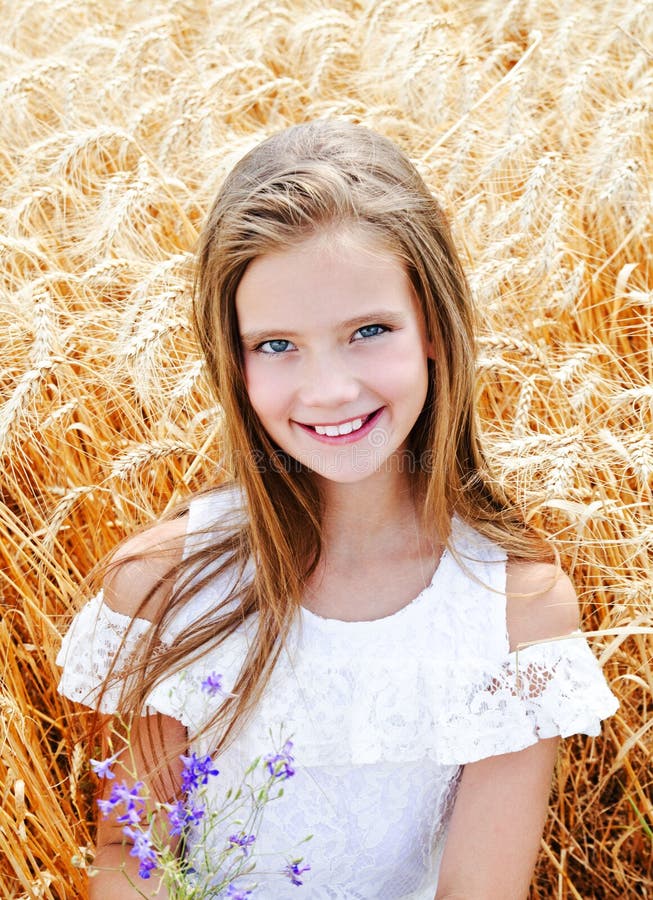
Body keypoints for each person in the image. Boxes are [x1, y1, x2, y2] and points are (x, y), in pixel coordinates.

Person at [56, 119, 618, 900]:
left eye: (368, 331)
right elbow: (131, 852)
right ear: (234, 361)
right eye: (277, 346)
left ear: (432, 328)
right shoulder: (169, 582)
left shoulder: (513, 611)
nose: (328, 390)